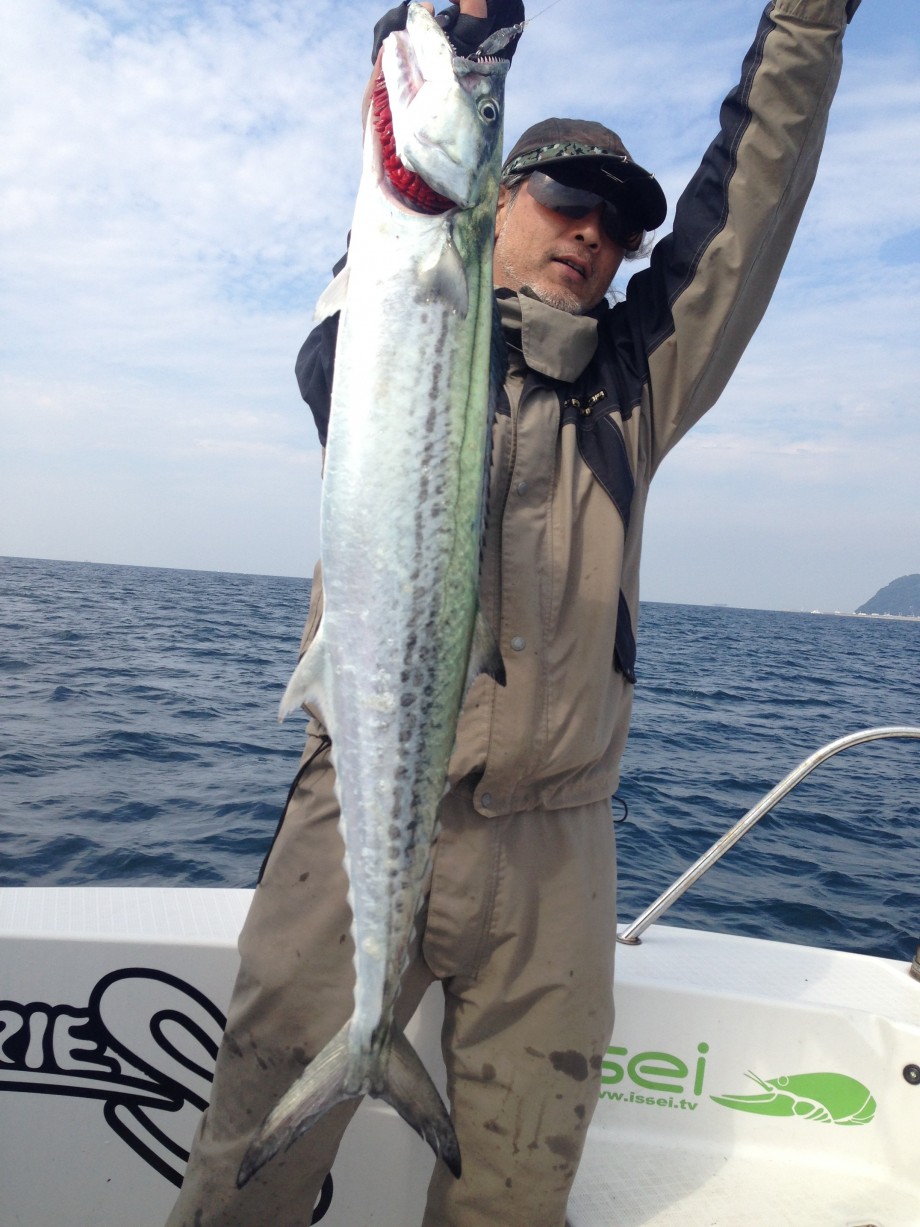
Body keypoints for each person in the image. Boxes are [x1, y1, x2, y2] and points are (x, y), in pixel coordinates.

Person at [166, 1, 860, 1223]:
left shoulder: (632, 387)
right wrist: (434, 39)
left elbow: (745, 207)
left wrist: (804, 23)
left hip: (551, 855)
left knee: (514, 1199)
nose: (591, 233)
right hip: (353, 807)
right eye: (564, 198)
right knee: (244, 1179)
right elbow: (400, 177)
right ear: (494, 202)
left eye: (617, 225)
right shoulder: (378, 320)